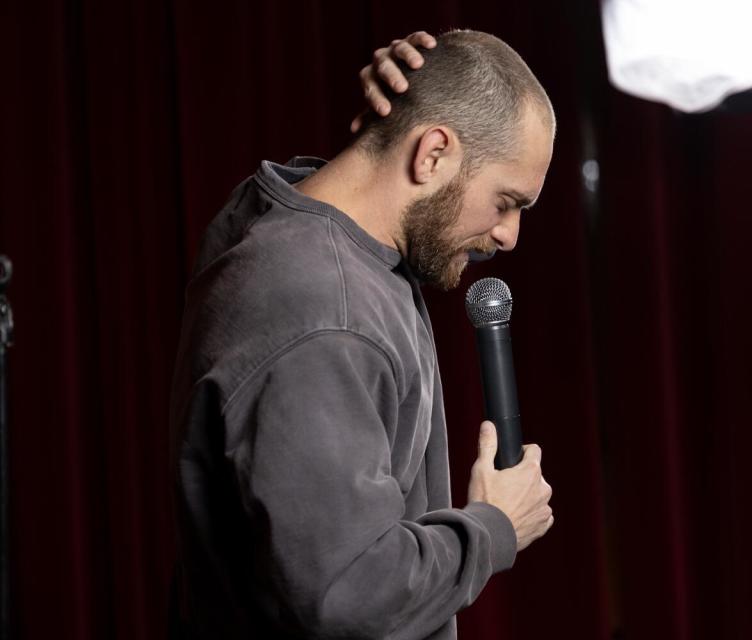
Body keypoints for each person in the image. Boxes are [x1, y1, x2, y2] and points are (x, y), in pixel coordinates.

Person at [168, 29, 555, 639]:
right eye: (506, 202)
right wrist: (494, 525)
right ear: (432, 154)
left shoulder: (287, 224)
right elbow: (347, 596)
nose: (509, 236)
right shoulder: (324, 311)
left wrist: (401, 116)